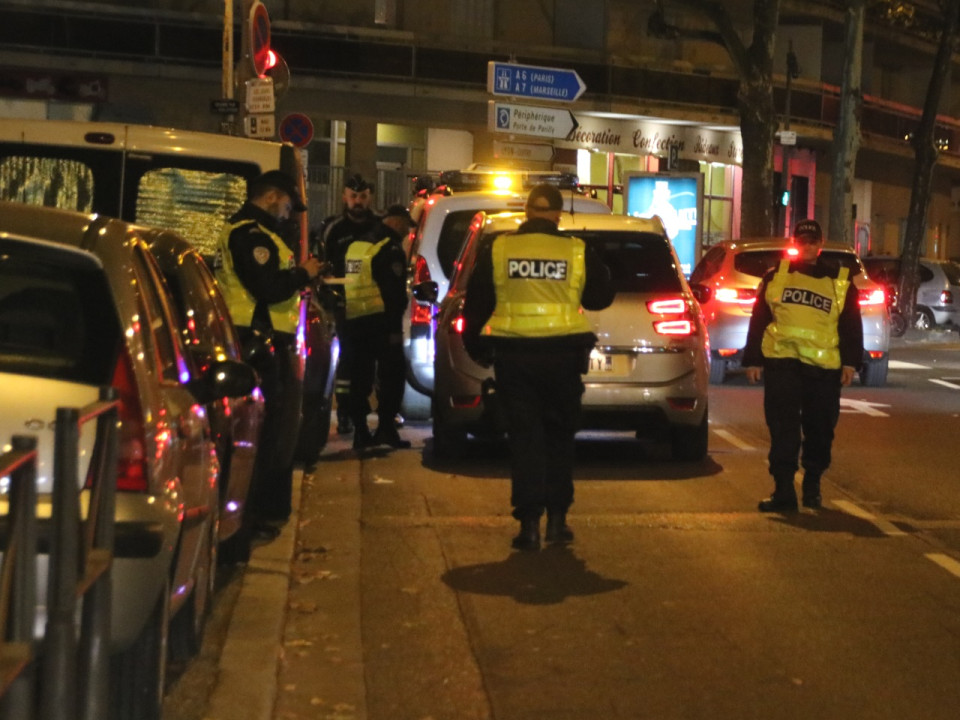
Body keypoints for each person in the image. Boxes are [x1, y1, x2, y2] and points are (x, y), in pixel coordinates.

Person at [461, 183, 615, 551]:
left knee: (525, 440)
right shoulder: (576, 251)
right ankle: (557, 521)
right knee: (559, 439)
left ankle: (528, 524)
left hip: (515, 360)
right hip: (562, 359)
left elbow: (476, 304)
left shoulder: (499, 248)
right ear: (558, 215)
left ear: (527, 212)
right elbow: (601, 296)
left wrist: (478, 350)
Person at [214, 170, 323, 535]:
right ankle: (253, 516)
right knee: (262, 433)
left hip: (262, 340)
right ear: (273, 196)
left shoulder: (260, 235)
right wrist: (303, 274)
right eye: (289, 204)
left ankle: (258, 513)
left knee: (270, 430)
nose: (289, 214)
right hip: (255, 342)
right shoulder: (250, 235)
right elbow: (267, 287)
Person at [742, 219, 864, 512]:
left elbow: (850, 324)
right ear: (794, 243)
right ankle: (784, 491)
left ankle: (812, 484)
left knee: (820, 428)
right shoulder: (776, 277)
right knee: (783, 428)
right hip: (782, 364)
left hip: (823, 369)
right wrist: (753, 359)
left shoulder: (840, 281)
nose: (807, 246)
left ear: (820, 245)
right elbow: (760, 318)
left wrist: (850, 362)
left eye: (812, 241)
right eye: (802, 241)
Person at [339, 203, 412, 450]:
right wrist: (394, 329)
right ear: (397, 222)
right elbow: (392, 293)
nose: (407, 233)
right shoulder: (389, 247)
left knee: (360, 377)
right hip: (381, 323)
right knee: (393, 374)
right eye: (406, 226)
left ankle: (360, 431)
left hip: (355, 319)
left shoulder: (358, 244)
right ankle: (385, 428)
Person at [320, 174, 380, 435]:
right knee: (347, 360)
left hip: (373, 307)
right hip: (343, 306)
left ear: (370, 198)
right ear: (344, 197)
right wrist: (328, 302)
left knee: (368, 362)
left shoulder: (379, 228)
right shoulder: (333, 229)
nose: (358, 202)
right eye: (353, 196)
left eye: (363, 197)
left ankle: (361, 409)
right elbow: (322, 266)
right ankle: (344, 410)